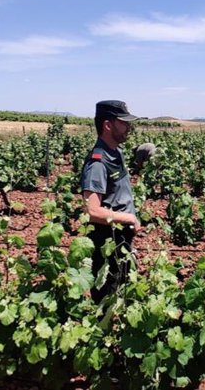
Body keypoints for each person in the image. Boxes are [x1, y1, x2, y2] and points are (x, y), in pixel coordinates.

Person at [81, 100, 142, 303]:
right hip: (108, 243)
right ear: (108, 125)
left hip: (121, 239)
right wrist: (129, 217)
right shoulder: (97, 162)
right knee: (107, 298)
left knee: (122, 293)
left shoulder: (116, 153)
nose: (129, 128)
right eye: (123, 123)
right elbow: (92, 211)